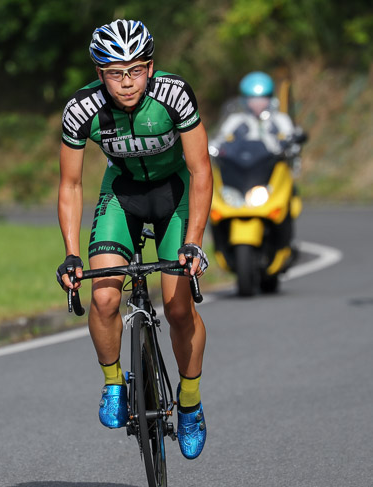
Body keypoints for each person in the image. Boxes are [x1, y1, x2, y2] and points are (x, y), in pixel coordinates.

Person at [56, 20, 212, 460]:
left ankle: (191, 400)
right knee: (104, 297)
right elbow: (70, 185)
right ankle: (112, 381)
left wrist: (195, 241)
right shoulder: (81, 108)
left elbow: (201, 169)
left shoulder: (174, 94)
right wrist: (71, 254)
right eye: (114, 72)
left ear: (150, 67)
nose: (126, 82)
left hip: (174, 194)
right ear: (99, 73)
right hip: (122, 194)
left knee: (180, 307)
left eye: (135, 70)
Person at [211, 71, 305, 169]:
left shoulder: (280, 119)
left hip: (272, 167)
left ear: (270, 98)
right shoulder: (235, 120)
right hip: (239, 167)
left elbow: (290, 137)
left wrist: (292, 144)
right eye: (253, 98)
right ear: (245, 100)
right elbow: (220, 138)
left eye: (263, 98)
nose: (258, 103)